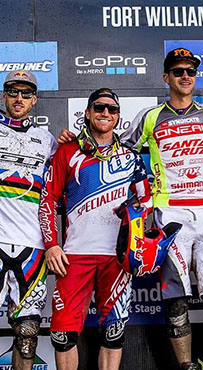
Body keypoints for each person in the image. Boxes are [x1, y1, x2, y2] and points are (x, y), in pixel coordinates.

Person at [121, 48, 203, 370]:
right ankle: (185, 366)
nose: (186, 76)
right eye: (178, 71)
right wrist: (81, 139)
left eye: (191, 71)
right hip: (169, 216)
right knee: (175, 300)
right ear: (166, 77)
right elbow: (118, 150)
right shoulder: (151, 117)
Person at [38, 88, 152, 370]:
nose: (105, 113)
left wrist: (137, 236)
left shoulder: (132, 157)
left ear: (118, 117)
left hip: (118, 257)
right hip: (75, 254)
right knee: (62, 335)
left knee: (113, 333)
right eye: (99, 108)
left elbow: (146, 199)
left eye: (112, 110)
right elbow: (48, 199)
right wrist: (52, 243)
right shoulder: (67, 152)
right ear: (87, 113)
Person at [0, 70, 57, 369]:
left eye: (25, 93)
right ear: (4, 95)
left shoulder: (46, 141)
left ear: (34, 99)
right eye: (12, 91)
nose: (18, 98)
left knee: (27, 332)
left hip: (32, 247)